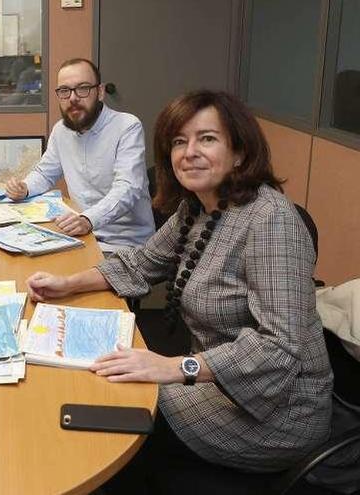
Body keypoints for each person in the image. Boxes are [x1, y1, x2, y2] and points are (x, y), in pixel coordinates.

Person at [26, 90, 332, 490]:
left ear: (239, 152)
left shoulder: (270, 222)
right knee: (100, 389)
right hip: (217, 380)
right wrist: (67, 283)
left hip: (275, 410)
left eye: (207, 139)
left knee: (114, 412)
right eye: (178, 141)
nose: (190, 152)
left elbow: (279, 346)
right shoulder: (199, 206)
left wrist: (174, 368)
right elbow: (142, 262)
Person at [5, 58, 154, 252]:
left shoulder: (127, 126)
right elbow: (44, 174)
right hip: (81, 237)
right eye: (65, 91)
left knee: (56, 279)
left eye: (82, 88)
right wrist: (24, 188)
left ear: (99, 92)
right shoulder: (61, 131)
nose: (73, 98)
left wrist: (88, 219)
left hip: (124, 244)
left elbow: (128, 188)